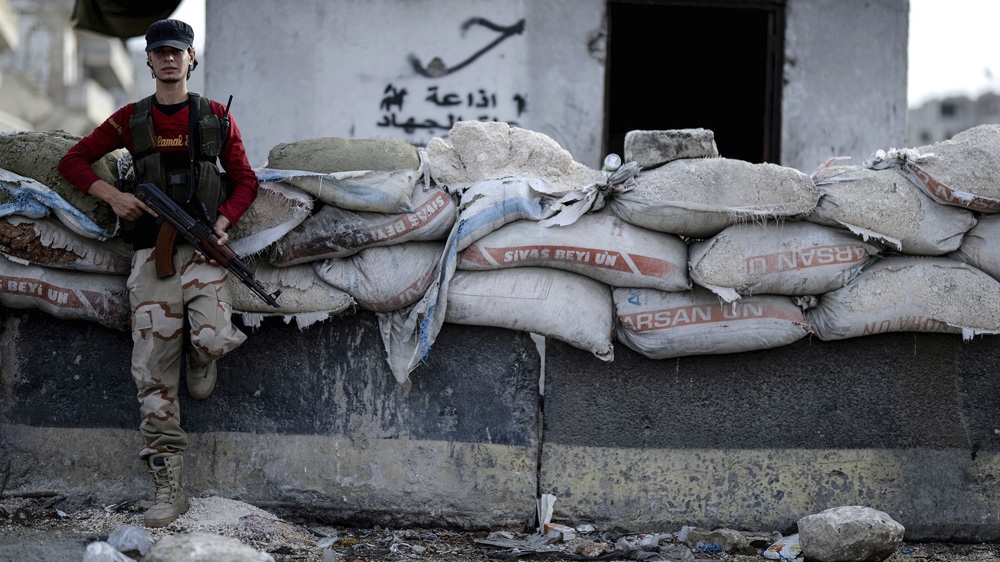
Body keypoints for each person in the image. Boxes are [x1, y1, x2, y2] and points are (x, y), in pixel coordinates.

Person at [58, 19, 258, 528]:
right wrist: (114, 196)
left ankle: (199, 352)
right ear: (149, 60)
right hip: (152, 257)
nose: (169, 59)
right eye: (160, 52)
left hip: (204, 252)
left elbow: (245, 181)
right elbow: (74, 161)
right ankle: (170, 489)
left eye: (178, 52)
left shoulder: (215, 117)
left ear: (192, 59)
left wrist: (222, 223)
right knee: (151, 374)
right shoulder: (129, 119)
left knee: (216, 337)